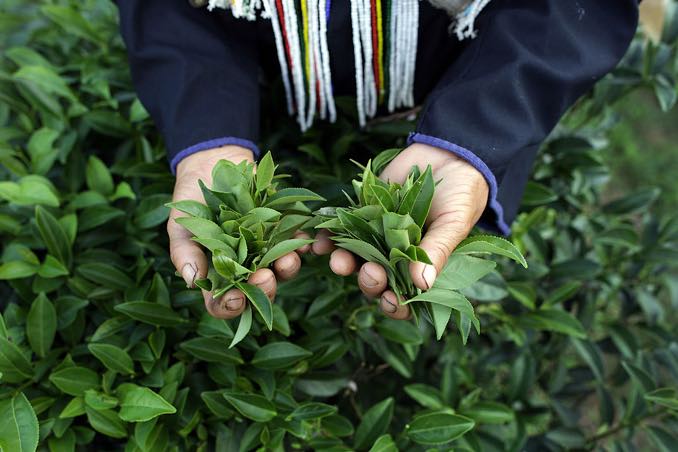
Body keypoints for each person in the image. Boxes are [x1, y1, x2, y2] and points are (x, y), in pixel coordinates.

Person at [117, 0, 639, 321]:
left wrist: (474, 135)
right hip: (266, 97)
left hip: (461, 88)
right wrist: (207, 136)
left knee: (423, 281)